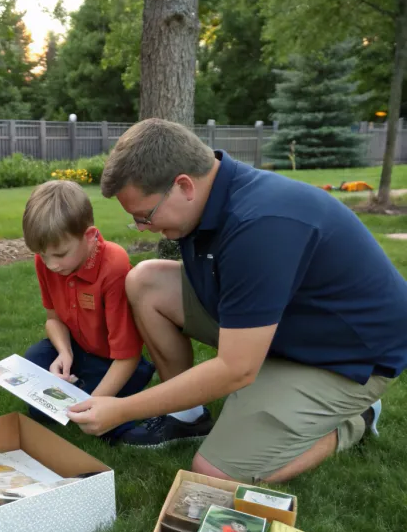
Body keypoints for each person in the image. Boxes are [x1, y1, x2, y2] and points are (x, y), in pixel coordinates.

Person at [67, 118, 407, 483]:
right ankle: (189, 416)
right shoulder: (212, 196)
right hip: (286, 324)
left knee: (214, 474)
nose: (144, 227)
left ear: (183, 185)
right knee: (146, 281)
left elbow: (236, 368)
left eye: (145, 216)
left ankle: (358, 418)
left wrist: (121, 409)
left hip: (346, 358)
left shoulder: (259, 224)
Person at [21, 180, 156, 444]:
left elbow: (127, 355)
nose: (51, 265)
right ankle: (76, 388)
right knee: (34, 364)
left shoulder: (113, 265)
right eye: (42, 255)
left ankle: (110, 410)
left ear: (90, 236)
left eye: (60, 254)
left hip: (116, 363)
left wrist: (91, 403)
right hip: (78, 350)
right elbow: (53, 320)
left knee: (101, 421)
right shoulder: (47, 262)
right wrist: (64, 352)